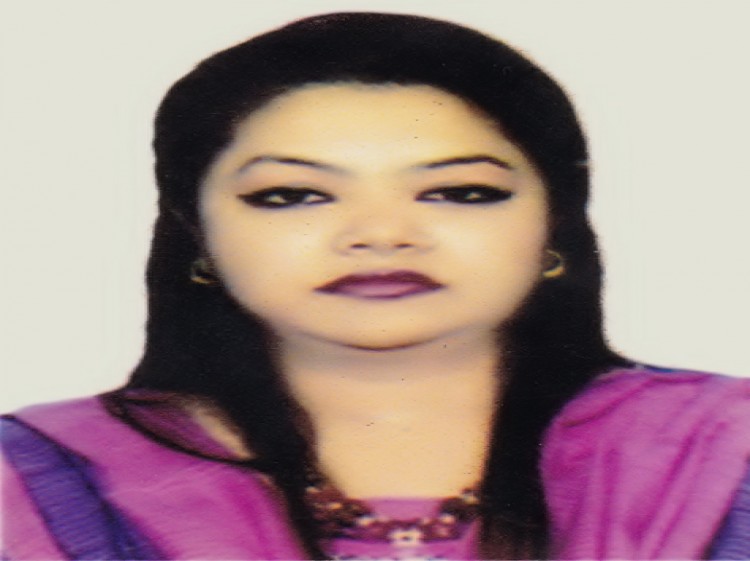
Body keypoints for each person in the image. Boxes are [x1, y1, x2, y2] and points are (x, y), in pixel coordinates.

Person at [2, 12, 748, 560]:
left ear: (554, 222)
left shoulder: (724, 455)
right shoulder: (40, 480)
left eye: (460, 192)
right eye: (292, 195)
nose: (382, 234)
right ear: (196, 233)